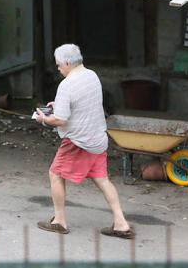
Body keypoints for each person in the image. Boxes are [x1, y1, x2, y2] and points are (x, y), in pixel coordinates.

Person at [33, 44, 134, 239]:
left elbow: (60, 120)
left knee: (55, 174)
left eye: (59, 65)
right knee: (103, 180)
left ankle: (60, 222)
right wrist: (59, 105)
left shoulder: (67, 84)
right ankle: (121, 224)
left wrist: (43, 119)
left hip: (79, 141)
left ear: (68, 63)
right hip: (98, 138)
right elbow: (84, 103)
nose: (58, 69)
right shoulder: (91, 76)